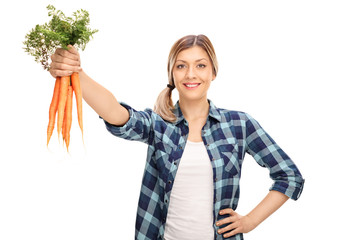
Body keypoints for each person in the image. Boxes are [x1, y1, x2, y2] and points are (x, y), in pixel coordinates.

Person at [49, 34, 305, 240]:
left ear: (213, 72)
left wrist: (249, 221)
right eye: (181, 66)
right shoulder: (158, 124)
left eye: (200, 65)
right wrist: (76, 73)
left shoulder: (240, 124)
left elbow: (289, 176)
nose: (191, 74)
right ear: (172, 74)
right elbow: (117, 114)